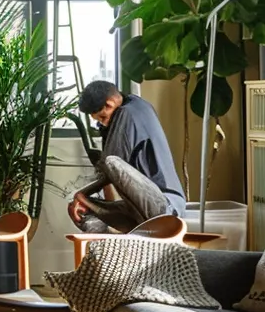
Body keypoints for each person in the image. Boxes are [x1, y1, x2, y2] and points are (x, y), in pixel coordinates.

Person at [69, 81, 186, 233]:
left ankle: (117, 241)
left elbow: (109, 168)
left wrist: (82, 194)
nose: (103, 124)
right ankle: (111, 248)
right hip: (140, 208)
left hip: (166, 207)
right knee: (78, 209)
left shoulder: (128, 113)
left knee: (111, 162)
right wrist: (82, 199)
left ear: (110, 104)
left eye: (103, 117)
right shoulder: (135, 103)